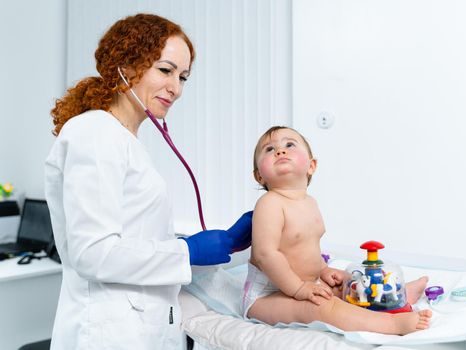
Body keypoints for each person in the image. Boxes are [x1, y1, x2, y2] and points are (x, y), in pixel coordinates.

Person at [45, 13, 251, 350]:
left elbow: (140, 243)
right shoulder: (94, 133)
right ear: (126, 66)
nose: (176, 88)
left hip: (143, 327)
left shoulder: (124, 141)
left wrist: (231, 246)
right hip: (107, 333)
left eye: (183, 77)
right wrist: (188, 250)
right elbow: (93, 253)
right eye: (166, 70)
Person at [241, 126, 432, 335]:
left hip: (307, 283)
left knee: (351, 284)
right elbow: (265, 255)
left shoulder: (310, 203)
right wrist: (299, 289)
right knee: (321, 307)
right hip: (268, 296)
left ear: (311, 166)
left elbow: (307, 247)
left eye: (289, 145)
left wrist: (323, 270)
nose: (280, 151)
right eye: (269, 149)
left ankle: (394, 299)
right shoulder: (269, 203)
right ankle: (390, 324)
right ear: (259, 176)